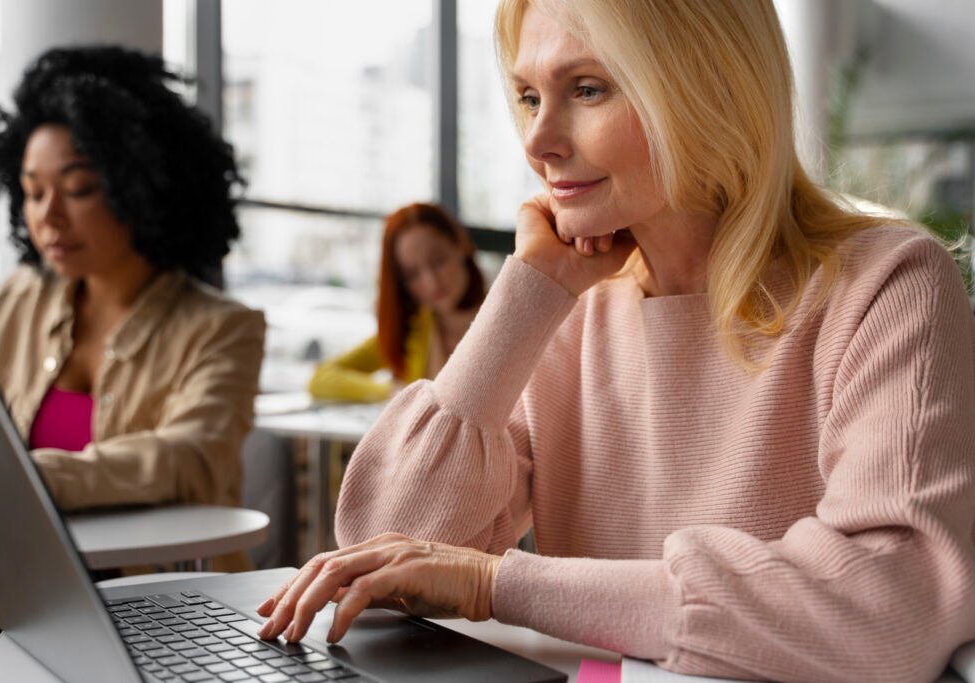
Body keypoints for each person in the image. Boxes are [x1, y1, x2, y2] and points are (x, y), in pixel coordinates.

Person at [256, 1, 975, 681]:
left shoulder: (887, 282)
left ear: (709, 89)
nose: (539, 141)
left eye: (589, 88)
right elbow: (384, 548)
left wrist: (496, 583)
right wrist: (528, 292)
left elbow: (890, 604)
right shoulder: (570, 309)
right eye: (530, 96)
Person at [0, 45, 265, 675]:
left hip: (160, 621)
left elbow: (188, 454)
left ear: (141, 183)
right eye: (33, 192)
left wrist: (32, 479)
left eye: (78, 189)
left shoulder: (223, 327)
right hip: (12, 613)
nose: (47, 217)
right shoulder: (22, 299)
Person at [308, 202, 485, 402]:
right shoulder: (410, 332)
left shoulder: (508, 314)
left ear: (460, 245)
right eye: (412, 274)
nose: (431, 282)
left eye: (438, 261)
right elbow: (321, 378)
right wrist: (393, 392)